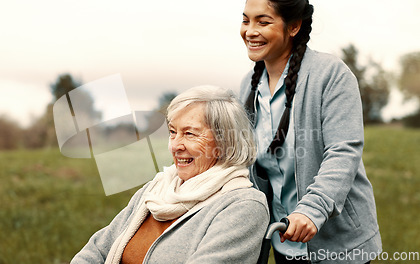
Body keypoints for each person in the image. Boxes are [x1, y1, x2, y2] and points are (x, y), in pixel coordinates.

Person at [238, 0, 382, 263]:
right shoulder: (247, 88)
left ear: (293, 26)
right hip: (283, 242)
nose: (250, 30)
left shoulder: (330, 74)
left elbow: (343, 152)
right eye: (246, 20)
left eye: (263, 21)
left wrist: (311, 211)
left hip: (339, 247)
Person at [71, 86, 269, 264]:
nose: (175, 145)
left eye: (190, 134)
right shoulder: (155, 189)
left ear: (224, 143)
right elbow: (96, 250)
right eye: (172, 132)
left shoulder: (243, 206)